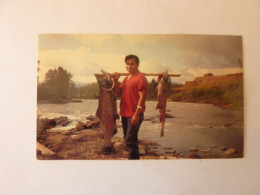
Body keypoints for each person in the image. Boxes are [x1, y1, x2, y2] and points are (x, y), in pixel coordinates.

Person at [113, 54, 148, 160]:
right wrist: (115, 80)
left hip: (134, 114)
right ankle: (133, 161)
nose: (129, 66)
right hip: (124, 113)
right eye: (127, 64)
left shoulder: (141, 77)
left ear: (137, 65)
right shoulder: (126, 79)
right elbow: (118, 93)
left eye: (132, 64)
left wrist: (136, 114)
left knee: (130, 141)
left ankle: (134, 164)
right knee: (129, 139)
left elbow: (142, 97)